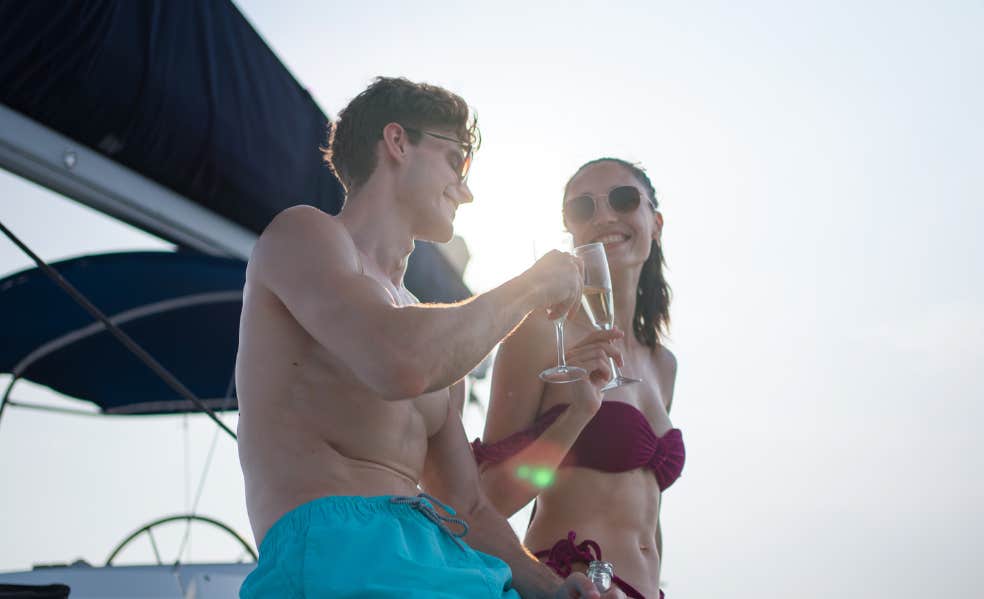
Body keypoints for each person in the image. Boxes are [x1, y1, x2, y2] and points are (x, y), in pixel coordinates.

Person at [235, 76, 620, 599]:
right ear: (398, 142)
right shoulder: (304, 235)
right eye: (457, 160)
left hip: (437, 561)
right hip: (337, 557)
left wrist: (551, 589)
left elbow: (467, 507)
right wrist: (532, 287)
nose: (467, 188)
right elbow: (398, 361)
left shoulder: (429, 329)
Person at [474, 158, 682, 599]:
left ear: (656, 222)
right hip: (571, 585)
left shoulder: (664, 364)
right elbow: (485, 502)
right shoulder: (541, 336)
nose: (605, 216)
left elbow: (648, 514)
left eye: (624, 200)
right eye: (583, 209)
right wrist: (579, 412)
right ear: (571, 231)